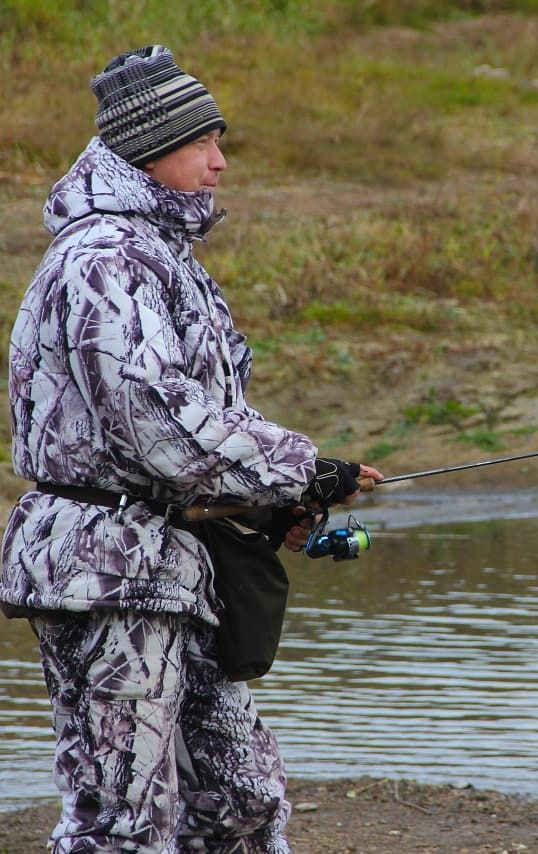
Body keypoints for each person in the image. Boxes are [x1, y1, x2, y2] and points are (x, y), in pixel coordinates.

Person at [0, 45, 382, 853]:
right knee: (123, 821)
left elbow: (198, 420)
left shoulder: (162, 256)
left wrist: (277, 501)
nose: (219, 163)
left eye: (219, 141)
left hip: (175, 562)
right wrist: (298, 465)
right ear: (146, 149)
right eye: (199, 143)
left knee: (238, 802)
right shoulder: (105, 259)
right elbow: (155, 419)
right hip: (104, 571)